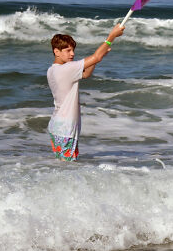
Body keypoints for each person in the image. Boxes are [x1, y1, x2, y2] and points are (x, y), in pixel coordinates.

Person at [47, 24, 125, 161]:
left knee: (63, 166)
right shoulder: (67, 69)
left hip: (57, 126)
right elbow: (96, 57)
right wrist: (111, 36)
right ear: (56, 52)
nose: (72, 53)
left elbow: (86, 73)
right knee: (67, 168)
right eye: (68, 50)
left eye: (73, 50)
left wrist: (98, 57)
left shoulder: (52, 70)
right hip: (65, 128)